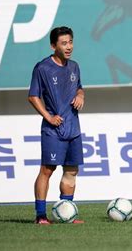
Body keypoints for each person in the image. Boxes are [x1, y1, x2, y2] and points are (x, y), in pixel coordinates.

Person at [28, 26, 86, 224]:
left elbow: (79, 88)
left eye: (70, 42)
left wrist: (80, 95)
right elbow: (33, 96)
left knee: (71, 170)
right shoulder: (42, 68)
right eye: (64, 43)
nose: (69, 46)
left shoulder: (74, 66)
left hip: (73, 129)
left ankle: (66, 212)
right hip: (53, 130)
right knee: (47, 170)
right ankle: (41, 216)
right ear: (53, 45)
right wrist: (48, 116)